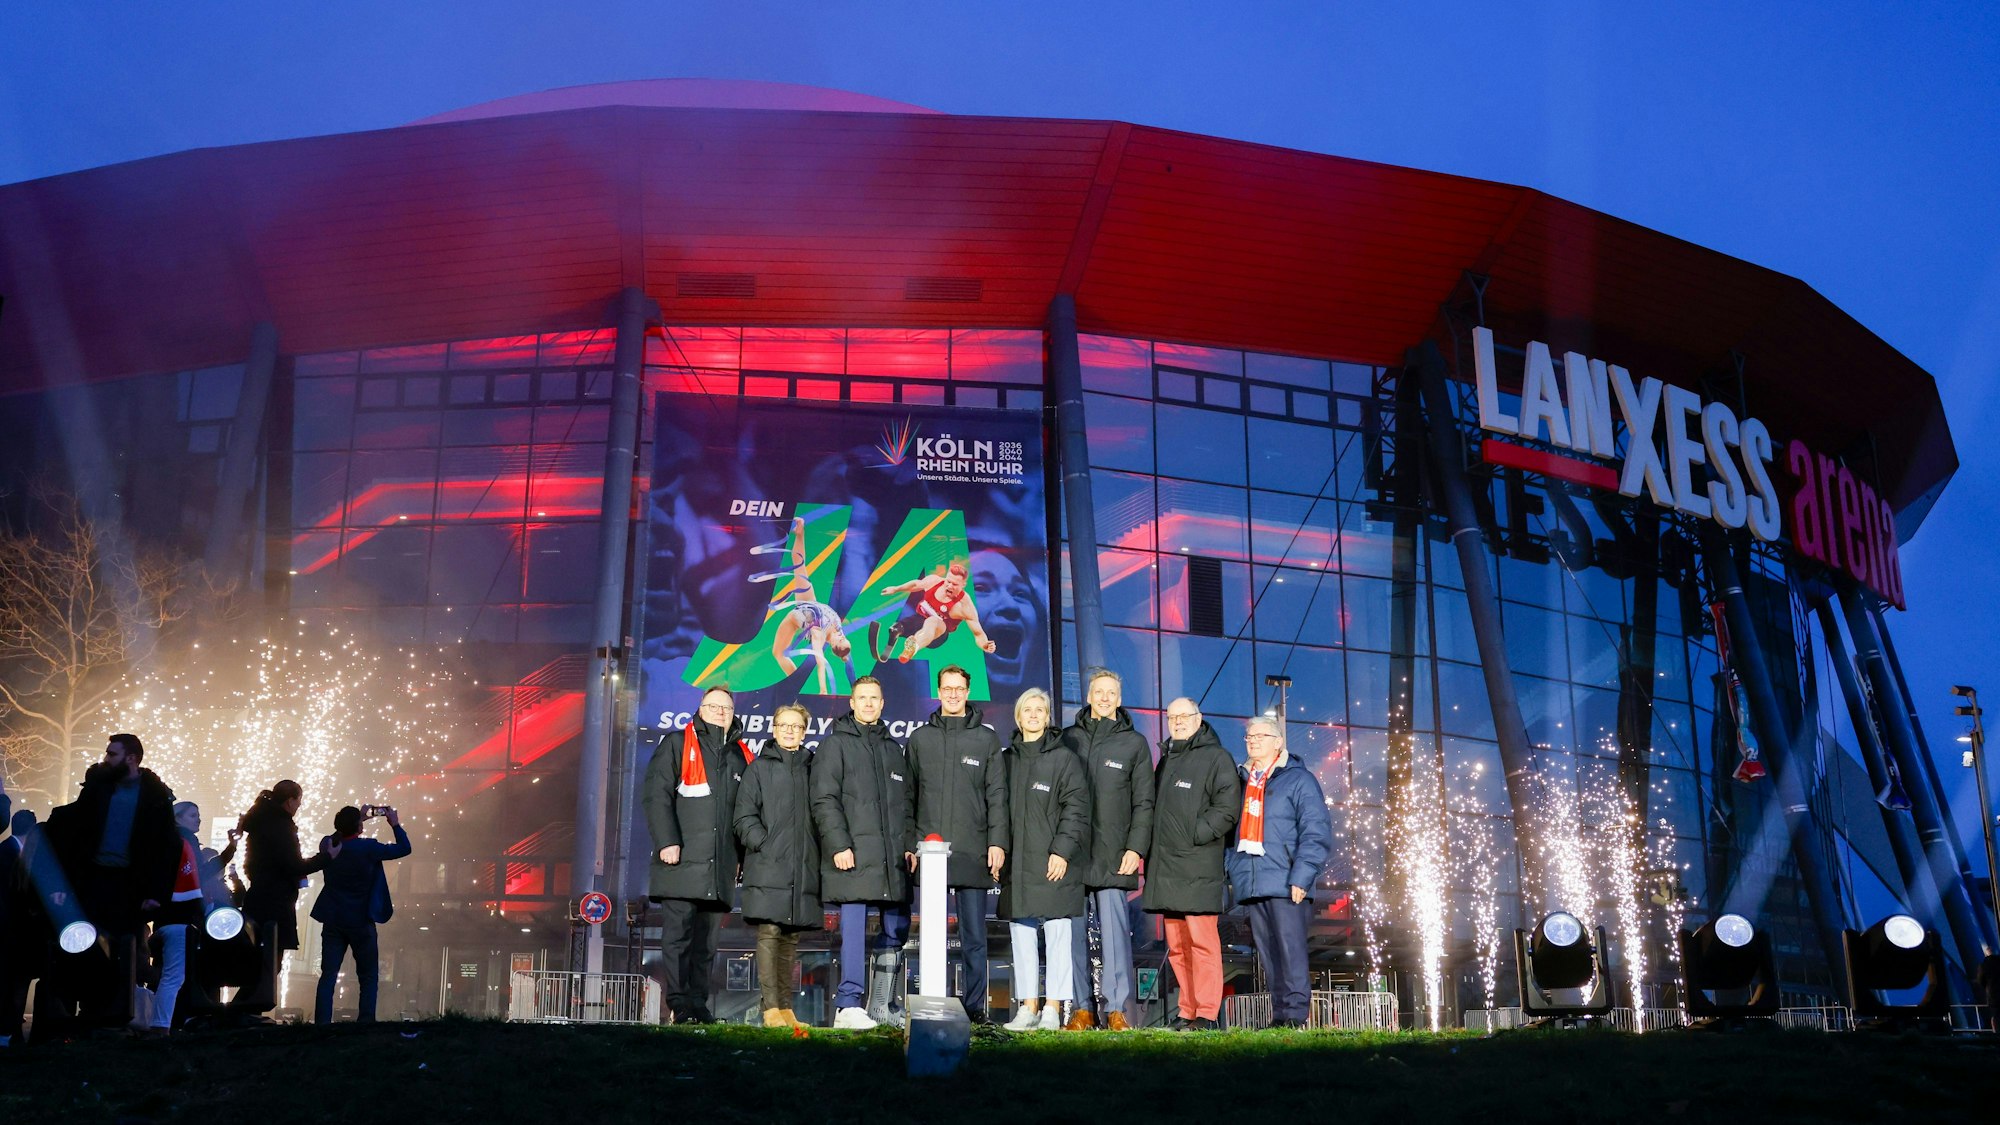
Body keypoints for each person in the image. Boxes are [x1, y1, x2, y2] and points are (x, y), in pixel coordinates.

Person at [42, 733, 181, 1031]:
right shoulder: (99, 788)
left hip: (129, 887)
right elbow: (75, 838)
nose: (106, 759)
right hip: (93, 882)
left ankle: (110, 1017)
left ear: (130, 758)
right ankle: (80, 1015)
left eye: (112, 754)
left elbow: (166, 849)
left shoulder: (154, 797)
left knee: (123, 951)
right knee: (83, 945)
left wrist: (155, 892)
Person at [903, 664, 1007, 1022]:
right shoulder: (920, 740)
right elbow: (908, 797)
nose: (952, 694)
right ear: (938, 691)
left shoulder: (987, 739)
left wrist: (997, 842)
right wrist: (909, 844)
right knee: (930, 938)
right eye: (946, 688)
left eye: (958, 689)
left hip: (973, 850)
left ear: (967, 691)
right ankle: (934, 1002)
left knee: (974, 937)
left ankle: (975, 1009)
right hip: (929, 857)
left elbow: (997, 796)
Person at [809, 676, 913, 1029]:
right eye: (862, 698)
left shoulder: (893, 749)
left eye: (875, 698)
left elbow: (906, 806)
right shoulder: (834, 745)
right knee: (853, 928)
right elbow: (824, 800)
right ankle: (848, 1004)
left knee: (895, 928)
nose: (868, 703)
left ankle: (883, 1004)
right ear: (852, 703)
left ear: (883, 704)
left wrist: (909, 846)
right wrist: (839, 844)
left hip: (892, 861)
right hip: (852, 856)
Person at [643, 685, 750, 1024]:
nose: (721, 712)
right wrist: (667, 842)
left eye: (727, 708)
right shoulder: (677, 744)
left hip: (719, 868)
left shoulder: (741, 756)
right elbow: (656, 795)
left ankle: (698, 1004)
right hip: (681, 862)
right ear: (701, 709)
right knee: (678, 937)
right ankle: (679, 1004)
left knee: (706, 944)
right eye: (714, 706)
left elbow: (745, 813)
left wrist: (742, 860)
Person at [1061, 668, 1154, 1031]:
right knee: (1072, 934)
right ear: (1088, 696)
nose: (1103, 698)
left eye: (1110, 693)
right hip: (1073, 855)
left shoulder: (1134, 744)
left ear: (1118, 698)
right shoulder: (1068, 739)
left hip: (1116, 854)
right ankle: (1082, 1009)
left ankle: (1116, 1009)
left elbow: (1144, 802)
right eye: (1098, 692)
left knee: (1116, 936)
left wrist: (1136, 847)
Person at [1224, 717, 1332, 1030]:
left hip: (1287, 881)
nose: (1252, 741)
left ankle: (1297, 1015)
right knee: (1269, 954)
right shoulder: (1242, 781)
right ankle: (1280, 1015)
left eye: (1260, 735)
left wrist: (1303, 875)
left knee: (1290, 950)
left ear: (1278, 742)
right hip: (1254, 880)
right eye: (1248, 736)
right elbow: (1233, 833)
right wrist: (1233, 869)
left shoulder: (1299, 780)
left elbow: (1316, 830)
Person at [1142, 699, 1241, 1030]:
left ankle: (1206, 1012)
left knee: (1203, 944)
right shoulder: (1167, 758)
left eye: (1185, 716)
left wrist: (1194, 834)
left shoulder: (1217, 757)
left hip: (1198, 865)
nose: (1178, 722)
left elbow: (1227, 808)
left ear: (1199, 719)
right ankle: (1187, 1010)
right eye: (1173, 717)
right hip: (1167, 869)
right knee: (1178, 948)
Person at [997, 688, 1089, 1031]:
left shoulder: (1064, 759)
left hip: (1054, 861)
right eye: (1028, 710)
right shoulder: (1006, 760)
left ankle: (1052, 1008)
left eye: (1040, 710)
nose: (1034, 715)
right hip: (1018, 863)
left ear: (1047, 717)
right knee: (1021, 935)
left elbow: (1076, 809)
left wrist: (1061, 851)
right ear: (1018, 717)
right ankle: (1027, 1007)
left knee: (1058, 934)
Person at [734, 702, 822, 1027]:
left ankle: (785, 1009)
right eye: (783, 725)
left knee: (790, 938)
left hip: (803, 867)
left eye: (796, 726)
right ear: (773, 730)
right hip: (768, 864)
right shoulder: (758, 769)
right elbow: (743, 816)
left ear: (804, 731)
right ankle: (770, 1008)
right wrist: (765, 844)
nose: (789, 731)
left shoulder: (814, 767)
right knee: (770, 932)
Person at [310, 805, 411, 1024]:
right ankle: (365, 1021)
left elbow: (334, 836)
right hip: (361, 919)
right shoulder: (369, 848)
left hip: (333, 918)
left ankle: (321, 1023)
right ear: (359, 827)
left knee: (328, 975)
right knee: (367, 976)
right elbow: (404, 848)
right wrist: (394, 823)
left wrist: (358, 819)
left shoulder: (329, 846)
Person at [236, 779, 326, 1013]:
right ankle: (241, 1010)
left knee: (259, 958)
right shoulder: (281, 825)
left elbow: (251, 863)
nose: (299, 806)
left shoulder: (259, 822)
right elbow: (293, 865)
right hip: (275, 902)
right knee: (270, 960)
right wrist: (326, 857)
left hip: (258, 897)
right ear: (290, 801)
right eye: (298, 801)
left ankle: (242, 1009)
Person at [766, 516, 855, 694]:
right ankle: (800, 532)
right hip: (808, 605)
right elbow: (844, 654)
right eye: (844, 637)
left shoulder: (818, 635)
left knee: (778, 654)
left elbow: (821, 662)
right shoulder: (836, 632)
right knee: (799, 564)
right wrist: (844, 657)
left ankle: (793, 682)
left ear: (834, 644)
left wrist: (823, 688)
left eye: (841, 639)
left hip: (804, 613)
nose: (841, 635)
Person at [879, 560, 1001, 664]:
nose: (949, 586)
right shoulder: (934, 582)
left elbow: (978, 633)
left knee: (933, 621)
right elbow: (916, 584)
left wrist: (985, 645)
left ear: (963, 585)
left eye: (954, 584)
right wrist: (895, 589)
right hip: (919, 620)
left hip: (938, 634)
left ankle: (913, 647)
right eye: (948, 581)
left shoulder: (964, 605)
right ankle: (889, 647)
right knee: (895, 628)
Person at [1, 808, 46, 1048]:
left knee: (14, 983)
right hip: (21, 933)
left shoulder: (14, 856)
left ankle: (11, 1029)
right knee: (18, 983)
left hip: (16, 933)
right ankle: (13, 1030)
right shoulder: (14, 857)